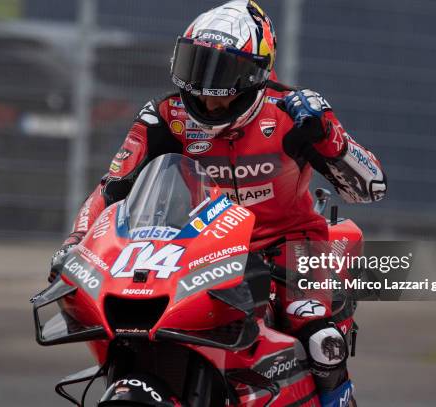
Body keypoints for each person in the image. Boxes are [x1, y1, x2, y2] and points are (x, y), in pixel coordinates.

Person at [50, 1, 386, 405]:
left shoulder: (294, 113)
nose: (207, 96)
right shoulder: (164, 116)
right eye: (198, 64)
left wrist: (329, 137)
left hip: (292, 245)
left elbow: (371, 188)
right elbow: (112, 188)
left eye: (222, 74)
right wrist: (75, 243)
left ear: (256, 75)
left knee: (321, 338)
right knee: (133, 322)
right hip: (199, 246)